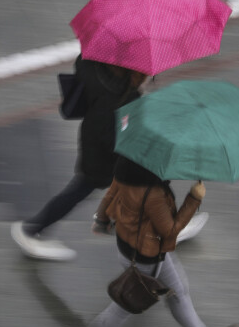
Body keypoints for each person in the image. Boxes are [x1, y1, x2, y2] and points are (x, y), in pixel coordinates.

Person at [11, 55, 208, 260]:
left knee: (88, 189)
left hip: (92, 143)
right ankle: (31, 229)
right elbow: (116, 138)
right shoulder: (124, 98)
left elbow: (84, 66)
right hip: (104, 156)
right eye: (147, 72)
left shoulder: (95, 67)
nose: (150, 75)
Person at [66, 156, 239, 327]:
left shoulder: (126, 165)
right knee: (123, 308)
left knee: (178, 289)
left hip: (127, 245)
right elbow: (170, 231)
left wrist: (101, 219)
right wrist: (194, 199)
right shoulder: (153, 193)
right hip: (147, 256)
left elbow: (111, 194)